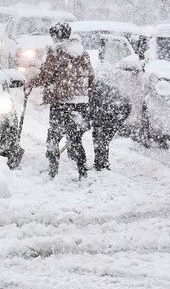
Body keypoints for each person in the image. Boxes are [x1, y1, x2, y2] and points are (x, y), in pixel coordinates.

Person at [26, 23, 95, 179]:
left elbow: (46, 76)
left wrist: (30, 82)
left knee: (53, 137)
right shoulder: (83, 53)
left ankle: (53, 172)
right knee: (75, 139)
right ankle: (82, 173)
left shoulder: (56, 51)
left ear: (55, 36)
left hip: (61, 101)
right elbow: (91, 76)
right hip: (81, 101)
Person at [89, 79, 131, 171]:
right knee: (103, 139)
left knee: (100, 137)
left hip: (114, 110)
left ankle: (100, 165)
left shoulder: (93, 94)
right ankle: (103, 163)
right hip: (121, 108)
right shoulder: (96, 87)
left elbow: (91, 113)